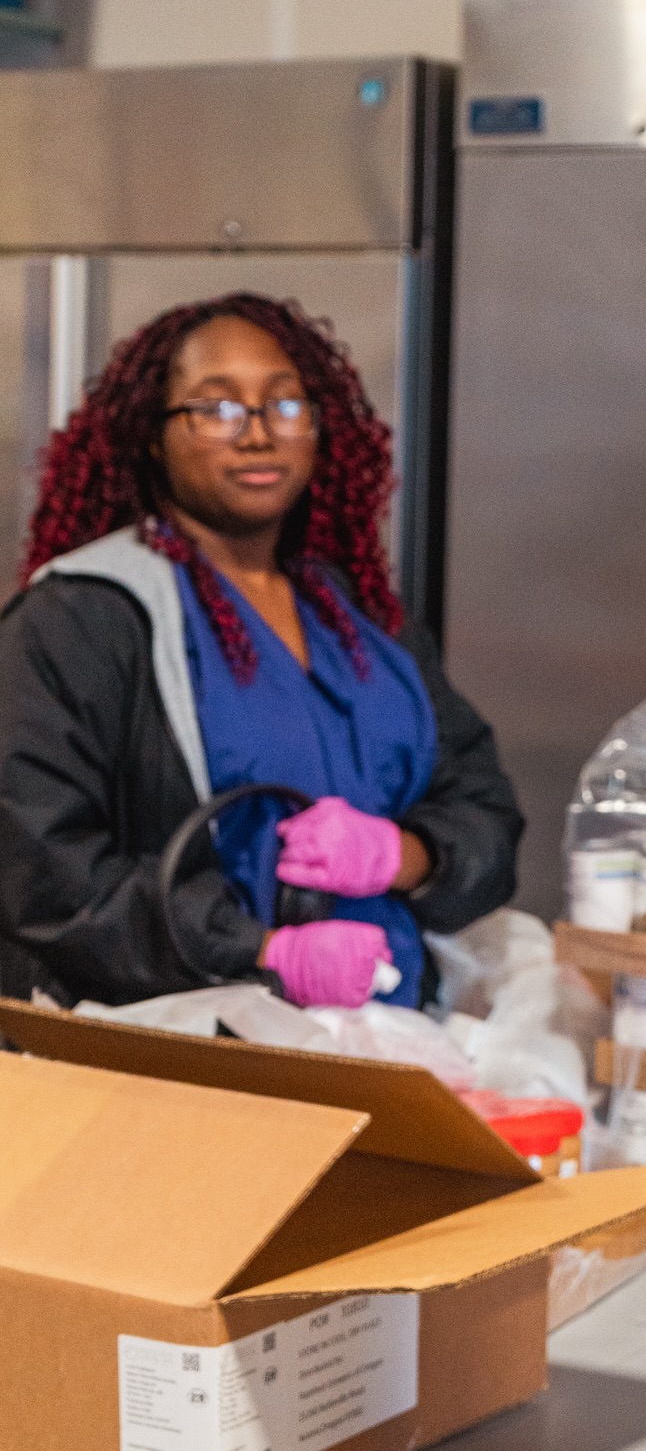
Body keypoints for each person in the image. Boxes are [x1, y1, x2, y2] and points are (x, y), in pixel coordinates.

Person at [0, 292, 522, 1009]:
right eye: (216, 409)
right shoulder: (82, 618)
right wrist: (260, 952)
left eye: (284, 405)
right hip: (190, 1064)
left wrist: (402, 855)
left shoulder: (360, 617)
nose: (257, 435)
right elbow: (43, 872)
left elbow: (485, 811)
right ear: (151, 435)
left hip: (394, 1042)